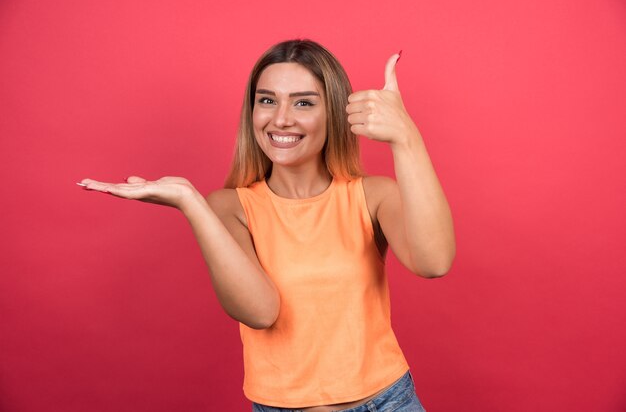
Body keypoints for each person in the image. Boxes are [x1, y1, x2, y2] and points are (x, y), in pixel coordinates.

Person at [79, 39, 455, 412]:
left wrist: (406, 138)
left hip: (386, 403)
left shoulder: (373, 195)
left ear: (334, 114)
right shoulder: (230, 207)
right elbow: (260, 312)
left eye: (304, 102)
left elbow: (433, 262)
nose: (281, 119)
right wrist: (189, 202)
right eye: (267, 100)